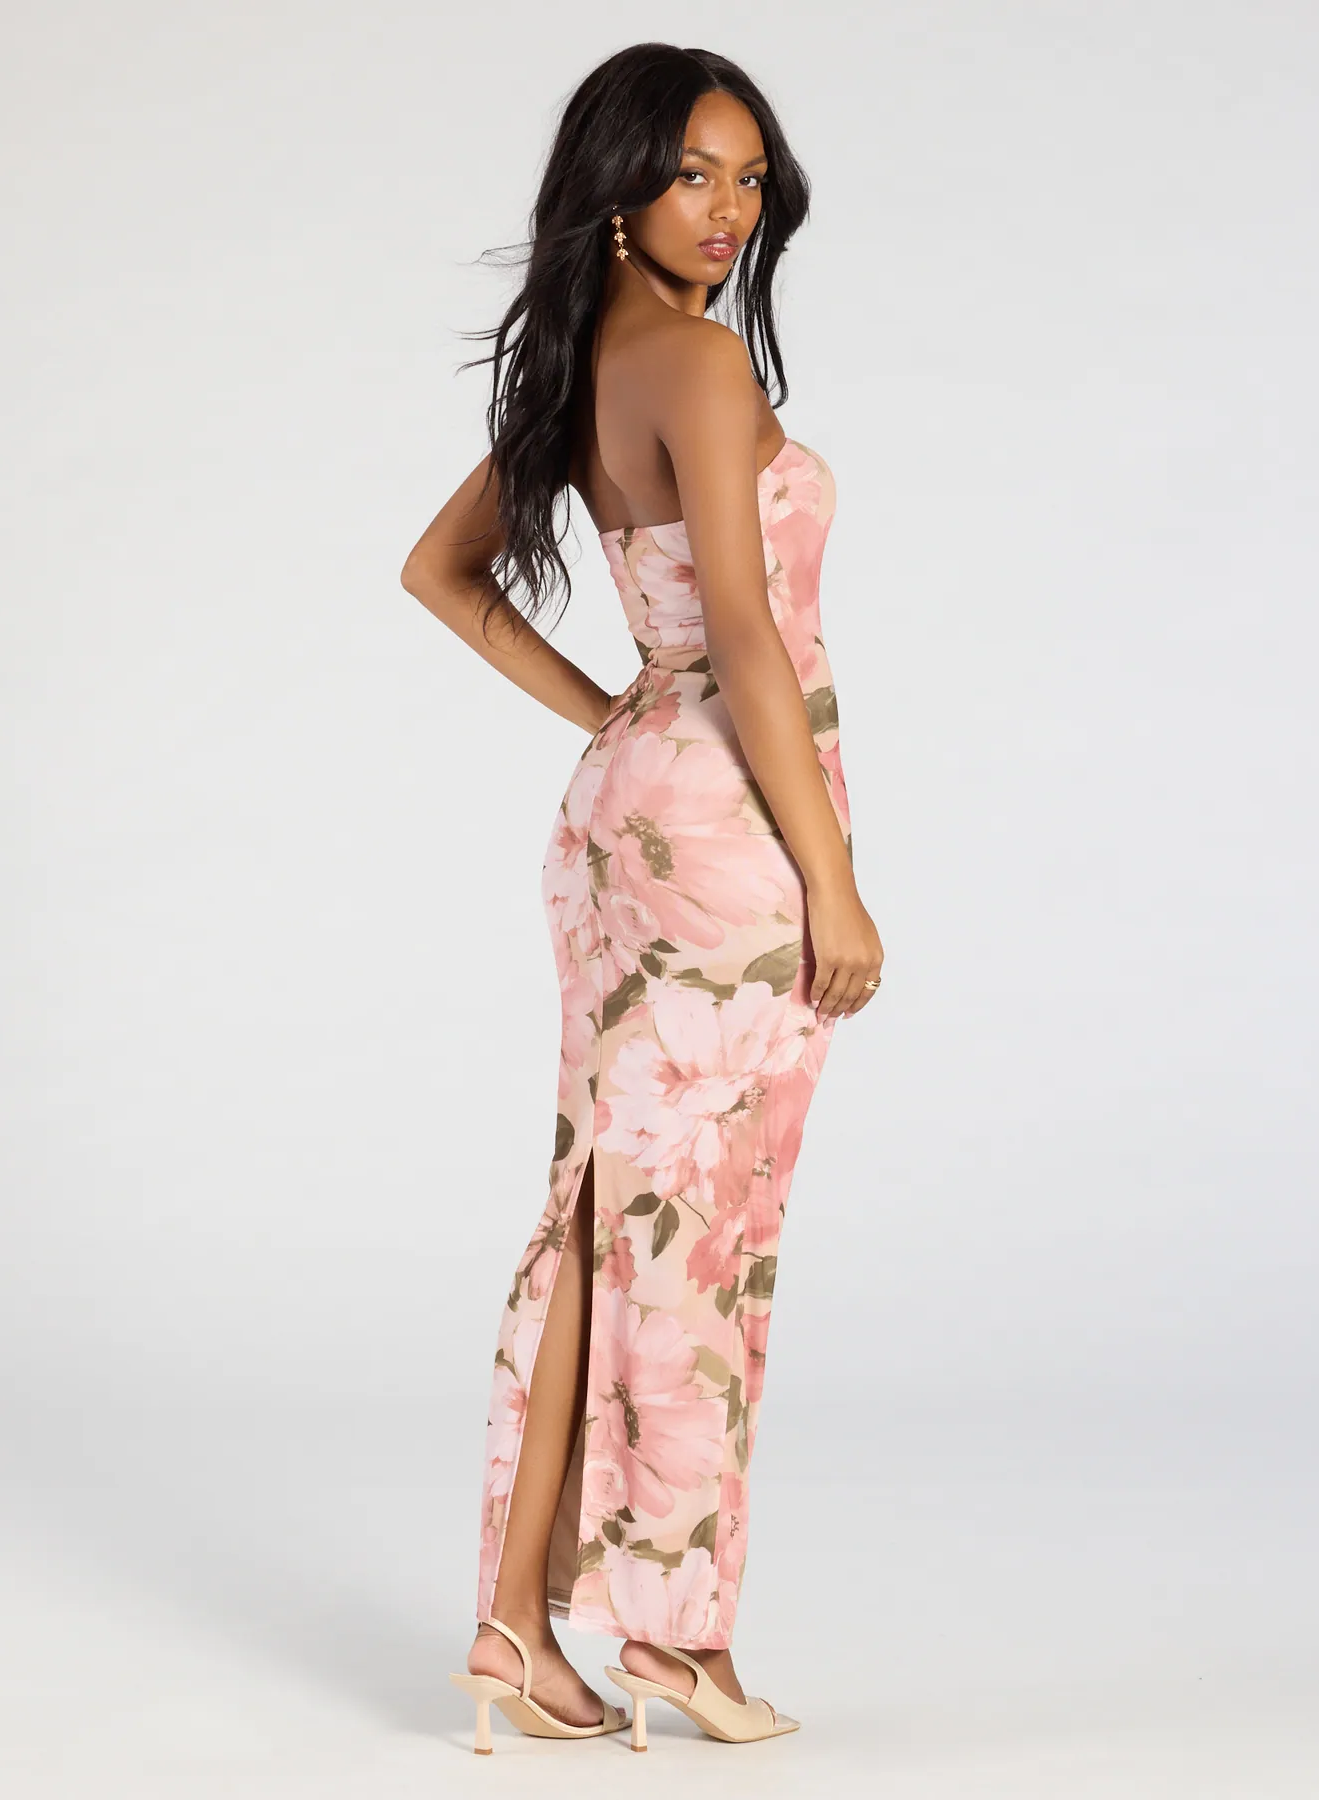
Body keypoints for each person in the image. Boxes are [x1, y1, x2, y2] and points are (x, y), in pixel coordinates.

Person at [401, 42, 884, 1754]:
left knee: (612, 1203)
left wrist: (616, 708)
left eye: (748, 177)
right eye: (694, 173)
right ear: (618, 186)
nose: (729, 207)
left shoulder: (582, 362)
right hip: (726, 822)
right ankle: (676, 1640)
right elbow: (743, 634)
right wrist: (833, 880)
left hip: (628, 816)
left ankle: (514, 1629)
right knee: (696, 1228)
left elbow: (437, 571)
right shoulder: (694, 359)